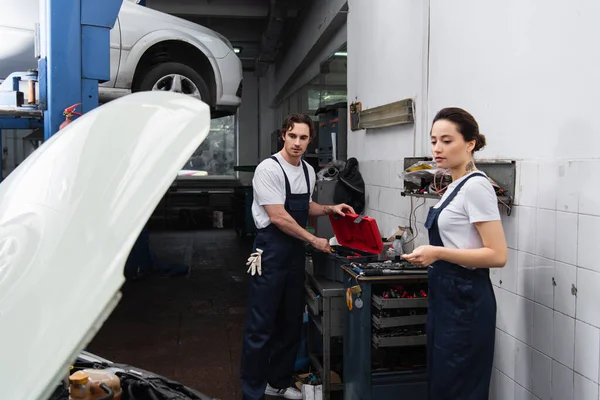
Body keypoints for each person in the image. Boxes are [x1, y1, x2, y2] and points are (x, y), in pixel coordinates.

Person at [240, 113, 355, 400]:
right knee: (261, 325)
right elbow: (279, 216)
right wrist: (313, 239)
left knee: (290, 322)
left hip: (293, 255)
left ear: (309, 140)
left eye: (303, 138)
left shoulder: (307, 170)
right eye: (292, 136)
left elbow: (305, 206)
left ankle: (277, 382)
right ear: (283, 135)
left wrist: (330, 209)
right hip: (270, 251)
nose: (297, 143)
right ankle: (252, 390)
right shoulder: (269, 169)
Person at [402, 107, 508, 399]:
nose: (437, 148)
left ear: (470, 143)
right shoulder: (453, 185)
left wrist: (437, 252)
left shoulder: (477, 187)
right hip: (446, 297)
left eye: (447, 141)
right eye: (434, 140)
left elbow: (497, 255)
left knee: (460, 386)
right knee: (444, 383)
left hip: (467, 301)